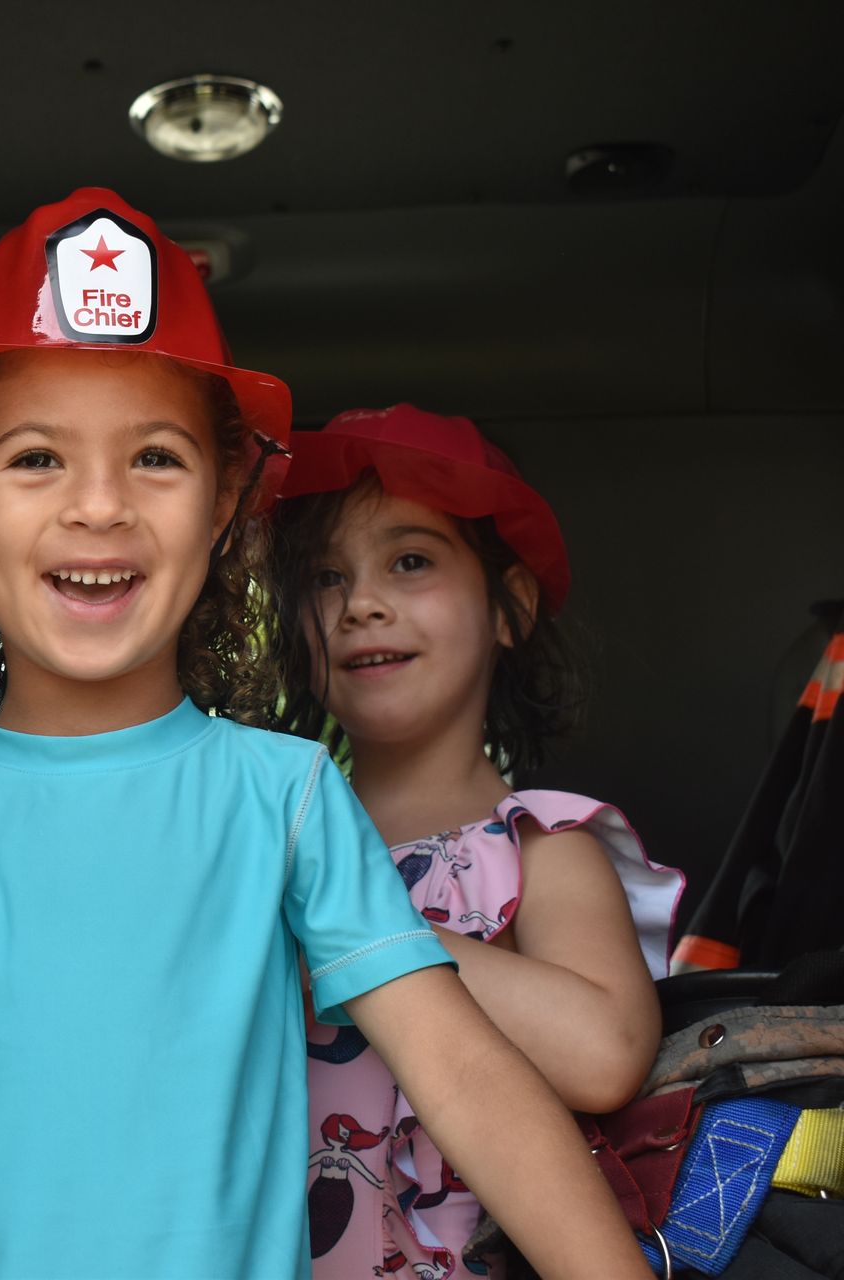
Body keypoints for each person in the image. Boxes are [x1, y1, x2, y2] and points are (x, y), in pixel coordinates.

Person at [0, 188, 652, 1279]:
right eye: (37, 457)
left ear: (229, 499)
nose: (99, 505)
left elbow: (463, 1074)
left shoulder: (284, 798)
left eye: (157, 458)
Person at [272, 404, 683, 1277]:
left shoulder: (543, 844)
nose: (361, 605)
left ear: (510, 608)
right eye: (323, 578)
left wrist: (356, 935)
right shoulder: (272, 849)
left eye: (410, 561)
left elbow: (605, 1055)